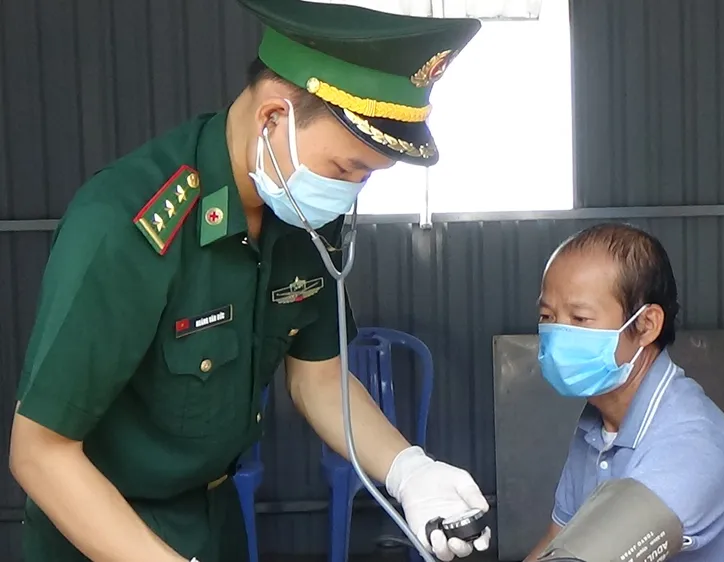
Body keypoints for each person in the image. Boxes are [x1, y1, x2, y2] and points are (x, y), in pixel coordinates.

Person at [7, 2, 490, 561]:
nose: (349, 193)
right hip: (101, 528)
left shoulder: (303, 216)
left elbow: (318, 379)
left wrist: (408, 471)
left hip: (215, 518)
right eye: (344, 170)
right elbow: (40, 452)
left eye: (366, 177)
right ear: (272, 118)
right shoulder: (125, 224)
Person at [525, 223, 724, 562]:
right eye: (547, 316)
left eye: (580, 318)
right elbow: (557, 539)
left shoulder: (693, 445)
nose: (558, 333)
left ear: (646, 325)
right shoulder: (597, 425)